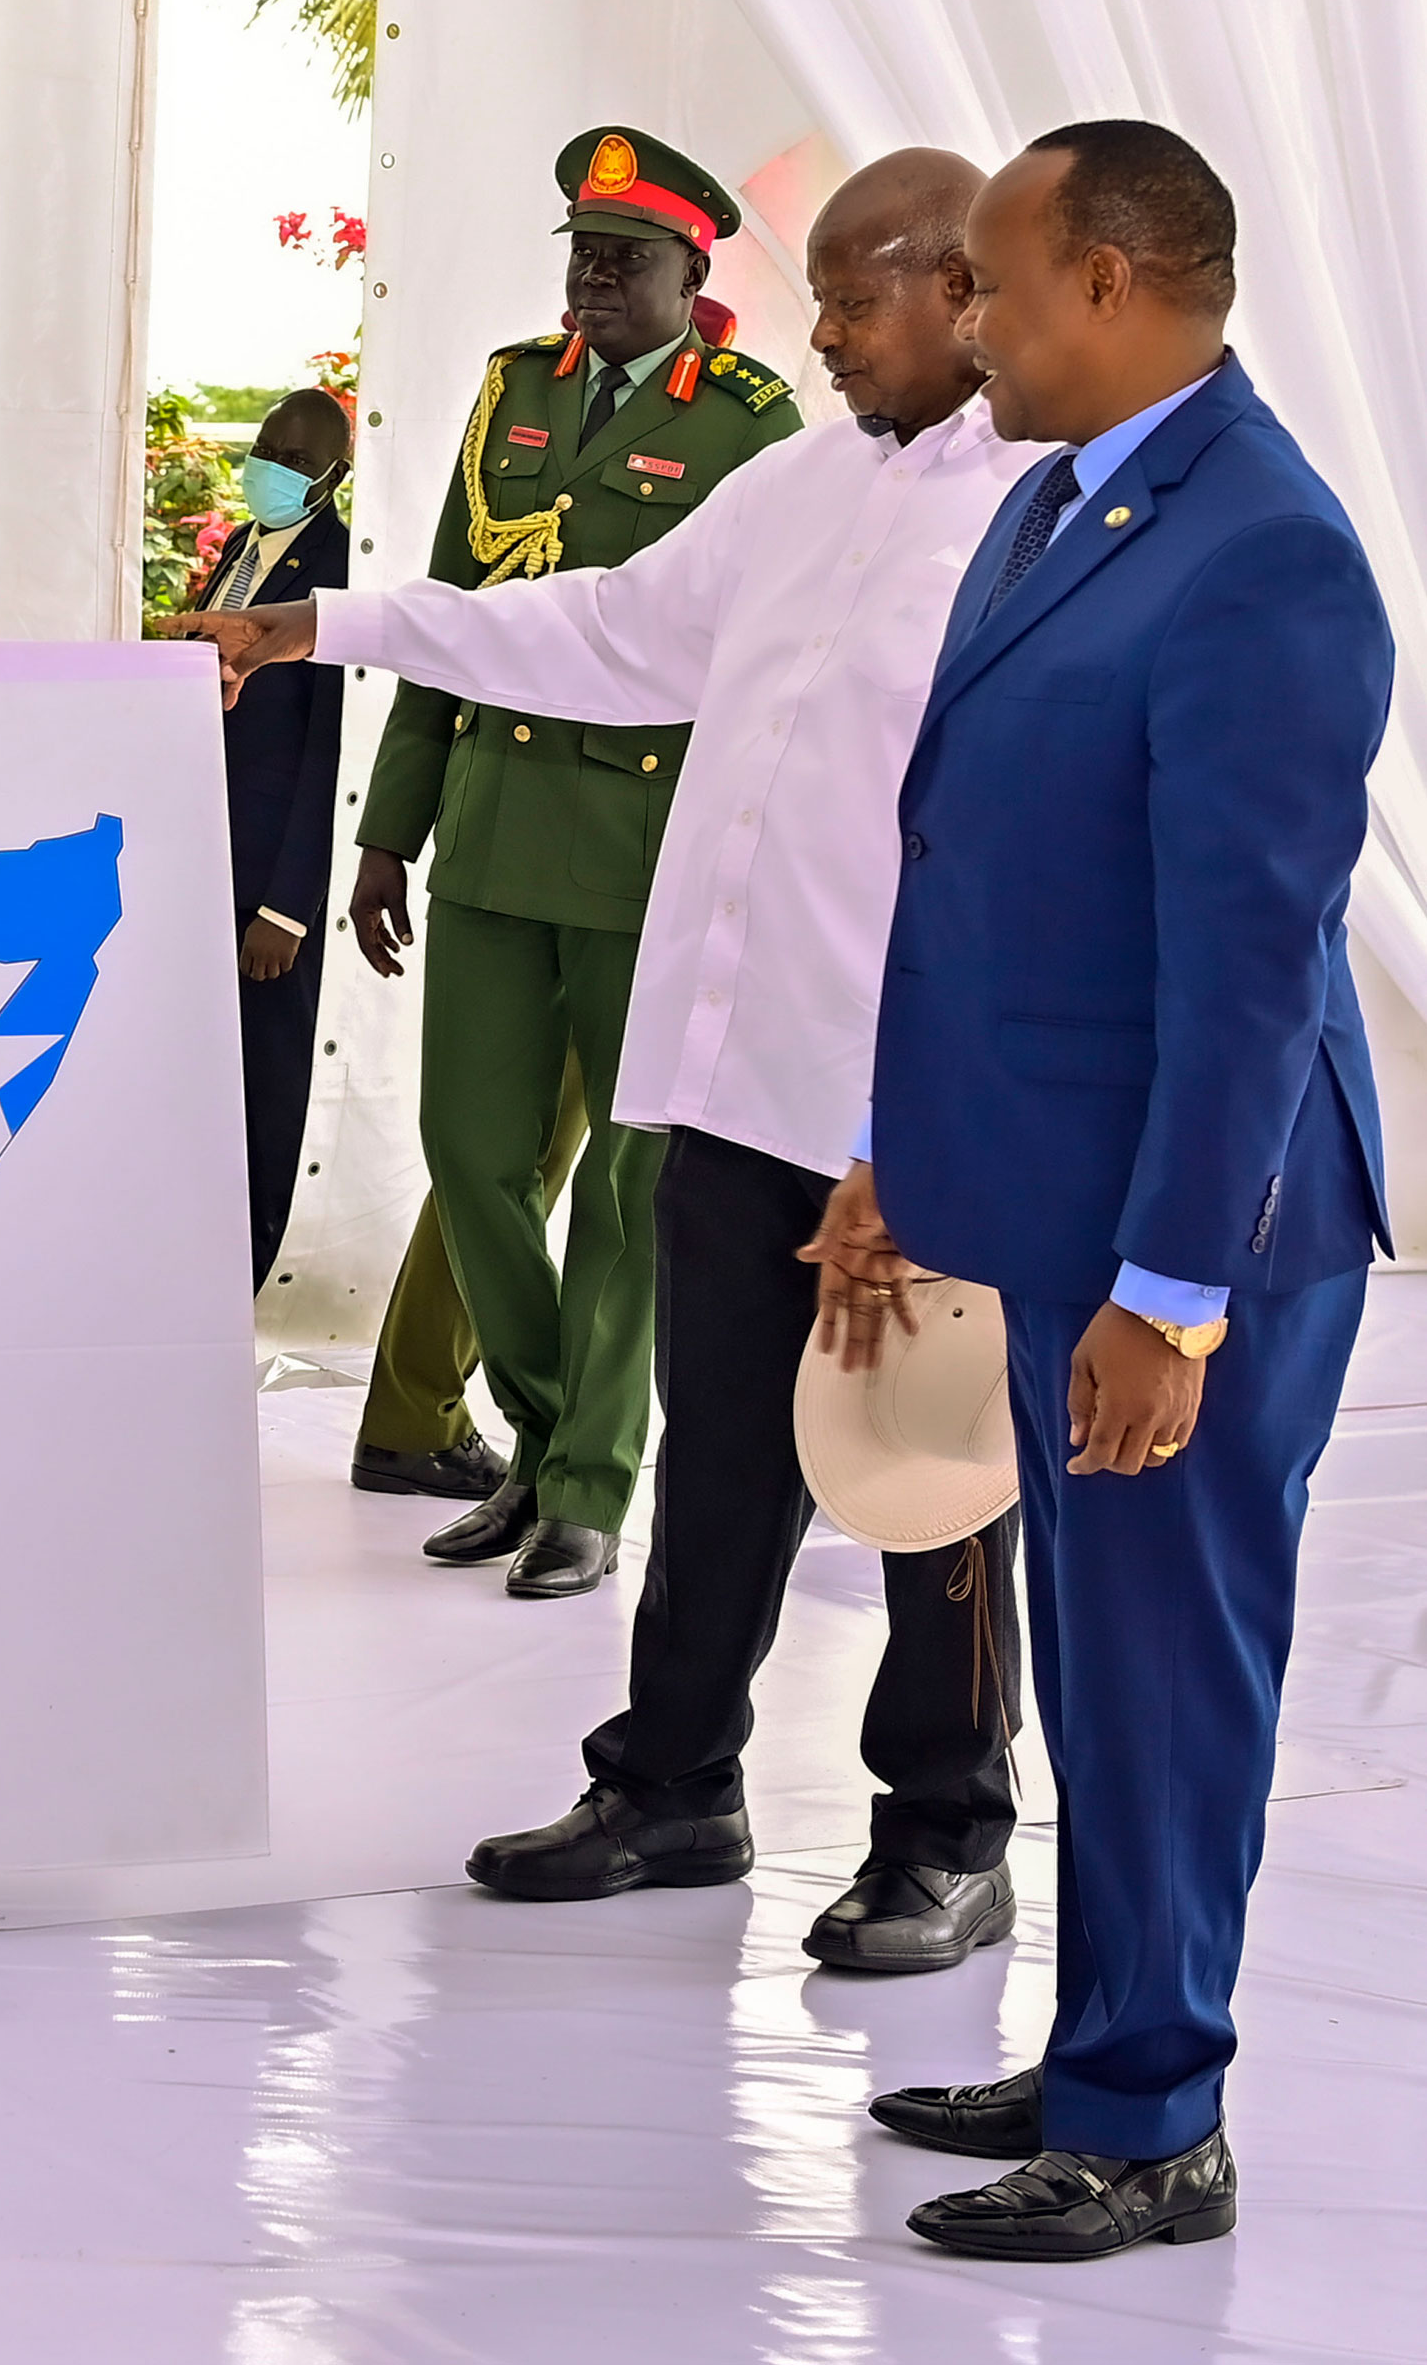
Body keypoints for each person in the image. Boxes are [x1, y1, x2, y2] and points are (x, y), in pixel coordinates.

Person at [177, 151, 1048, 1971]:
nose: (816, 330)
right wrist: (318, 619)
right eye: (811, 288)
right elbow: (592, 629)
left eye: (858, 290)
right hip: (732, 1077)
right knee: (721, 1448)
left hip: (909, 1097)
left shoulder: (1034, 517)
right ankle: (671, 1780)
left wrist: (931, 1114)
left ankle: (948, 1829)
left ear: (971, 295)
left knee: (923, 1473)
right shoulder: (794, 483)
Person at [807, 122, 1390, 2261]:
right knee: (1098, 1660)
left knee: (1164, 1666)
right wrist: (893, 1151)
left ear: (1115, 286)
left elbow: (1246, 958)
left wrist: (1171, 1290)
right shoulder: (1057, 499)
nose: (963, 320)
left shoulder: (1262, 550)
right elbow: (983, 874)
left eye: (989, 282)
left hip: (1184, 1228)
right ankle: (1095, 2047)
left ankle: (1154, 2124)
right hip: (1051, 1189)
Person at [344, 128, 803, 1598]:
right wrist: (385, 829)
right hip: (487, 825)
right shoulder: (512, 389)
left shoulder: (750, 422)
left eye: (625, 258)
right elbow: (443, 617)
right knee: (470, 1158)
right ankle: (547, 1446)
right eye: (580, 254)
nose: (593, 279)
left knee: (626, 1183)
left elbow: (761, 662)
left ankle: (592, 1483)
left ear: (693, 272)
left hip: (639, 849)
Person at [186, 387, 353, 1287]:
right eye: (267, 450)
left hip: (267, 894)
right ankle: (191, 1263)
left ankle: (246, 1269)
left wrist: (288, 908)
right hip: (203, 870)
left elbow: (332, 749)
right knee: (202, 1080)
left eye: (296, 460)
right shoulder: (243, 553)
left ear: (335, 474)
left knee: (265, 1087)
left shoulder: (336, 575)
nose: (274, 469)